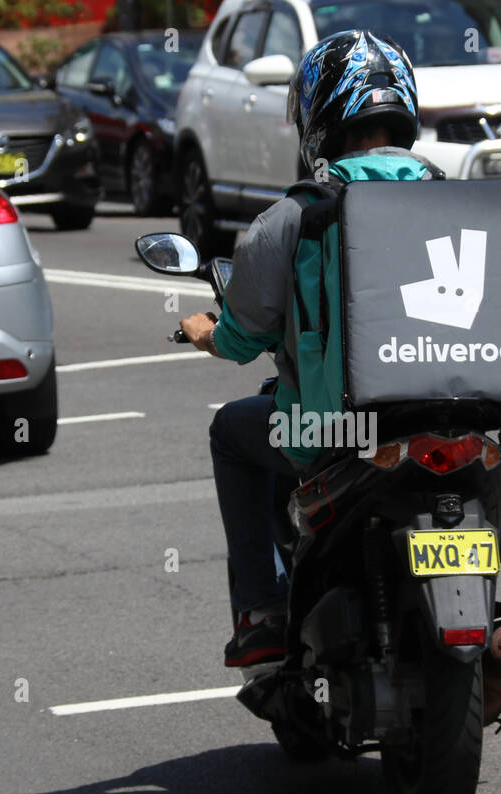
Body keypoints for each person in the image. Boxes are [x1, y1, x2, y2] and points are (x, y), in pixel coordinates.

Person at [176, 30, 440, 668]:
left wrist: (206, 331)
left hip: (334, 427)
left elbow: (243, 338)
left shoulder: (298, 214)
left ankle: (263, 610)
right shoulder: (455, 196)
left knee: (230, 432)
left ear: (319, 117)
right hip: (459, 416)